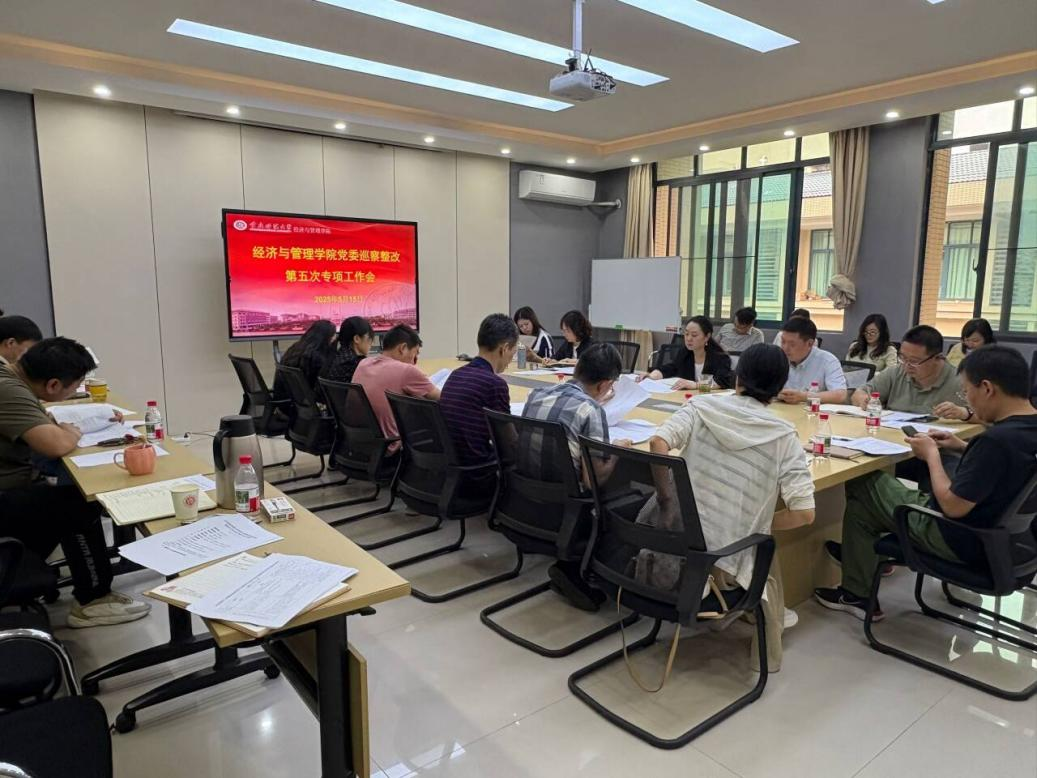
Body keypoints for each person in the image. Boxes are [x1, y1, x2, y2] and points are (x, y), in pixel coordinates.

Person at [815, 345, 1037, 620]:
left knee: (863, 479)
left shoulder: (996, 441)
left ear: (987, 388)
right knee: (862, 511)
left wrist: (932, 456)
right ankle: (858, 587)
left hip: (962, 537)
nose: (968, 401)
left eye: (967, 392)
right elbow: (1006, 468)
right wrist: (961, 446)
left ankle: (859, 589)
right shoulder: (1025, 429)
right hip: (1013, 542)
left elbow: (952, 506)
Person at [644, 344, 815, 671]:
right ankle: (765, 622)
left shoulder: (701, 406)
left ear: (738, 377)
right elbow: (805, 514)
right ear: (779, 388)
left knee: (757, 539)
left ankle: (750, 612)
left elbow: (658, 443)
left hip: (670, 546)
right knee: (762, 542)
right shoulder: (783, 436)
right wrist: (758, 523)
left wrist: (667, 501)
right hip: (719, 571)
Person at [0, 338, 151, 628]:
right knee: (79, 502)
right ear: (53, 385)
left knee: (67, 492)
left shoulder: (11, 376)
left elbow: (44, 418)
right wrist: (70, 432)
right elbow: (56, 444)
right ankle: (92, 599)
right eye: (75, 386)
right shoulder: (8, 389)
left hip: (13, 485)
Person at [521, 343, 632, 611]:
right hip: (565, 509)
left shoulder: (537, 394)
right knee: (630, 495)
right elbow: (594, 480)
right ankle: (581, 570)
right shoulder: (591, 411)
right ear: (605, 384)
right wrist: (617, 452)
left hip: (524, 500)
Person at [439, 314, 516, 467]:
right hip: (480, 470)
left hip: (451, 466)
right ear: (504, 349)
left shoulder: (456, 375)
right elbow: (509, 445)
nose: (510, 361)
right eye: (512, 354)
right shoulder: (494, 384)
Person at [352, 323, 439, 445]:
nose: (414, 362)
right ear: (402, 348)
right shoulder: (406, 370)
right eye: (415, 355)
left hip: (359, 443)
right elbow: (441, 398)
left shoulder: (363, 363)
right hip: (390, 446)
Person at [851, 325, 962, 416]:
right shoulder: (896, 372)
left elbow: (973, 416)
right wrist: (863, 399)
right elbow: (860, 393)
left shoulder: (960, 381)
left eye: (914, 361)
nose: (907, 365)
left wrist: (964, 414)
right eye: (903, 357)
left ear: (937, 358)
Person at [641, 315, 734, 390]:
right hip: (687, 398)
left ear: (707, 336)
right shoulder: (685, 352)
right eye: (686, 334)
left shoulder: (721, 358)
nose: (689, 338)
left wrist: (695, 385)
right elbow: (671, 368)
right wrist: (652, 375)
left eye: (694, 335)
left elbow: (721, 382)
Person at [776, 317, 847, 404]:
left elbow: (840, 395)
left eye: (792, 344)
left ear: (810, 343)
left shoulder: (828, 361)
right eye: (783, 342)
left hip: (812, 411)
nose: (785, 348)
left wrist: (804, 397)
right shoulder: (778, 357)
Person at [273, 319, 337, 401]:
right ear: (326, 338)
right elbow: (320, 386)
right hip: (300, 402)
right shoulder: (315, 357)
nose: (334, 338)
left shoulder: (296, 348)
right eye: (333, 335)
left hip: (286, 399)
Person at [321, 316, 374, 384]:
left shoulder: (336, 356)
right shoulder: (357, 363)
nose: (372, 343)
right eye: (370, 338)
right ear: (357, 339)